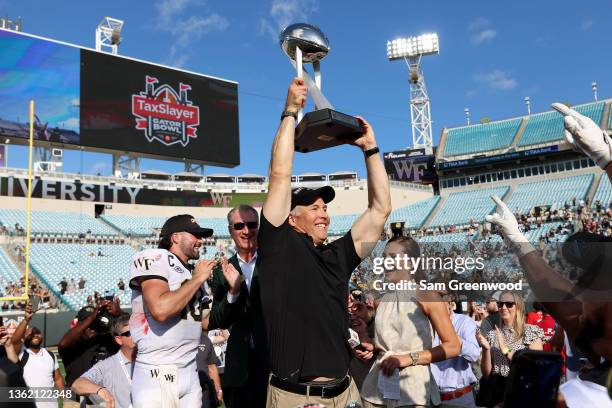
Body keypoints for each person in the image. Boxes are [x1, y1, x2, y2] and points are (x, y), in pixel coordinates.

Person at [258, 77, 392, 407]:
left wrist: (370, 149)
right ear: (291, 218)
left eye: (325, 208)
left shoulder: (338, 255)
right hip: (294, 396)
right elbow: (279, 176)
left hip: (345, 393)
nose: (324, 214)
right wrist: (290, 112)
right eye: (314, 207)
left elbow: (380, 210)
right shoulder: (278, 247)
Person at [128, 214, 238, 407]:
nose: (201, 240)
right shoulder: (154, 257)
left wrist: (232, 293)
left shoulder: (191, 271)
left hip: (190, 369)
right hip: (157, 371)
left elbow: (206, 322)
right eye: (195, 235)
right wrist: (197, 279)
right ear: (175, 237)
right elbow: (160, 310)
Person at [359, 237, 461, 407]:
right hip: (377, 391)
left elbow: (453, 346)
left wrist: (409, 358)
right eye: (384, 257)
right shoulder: (382, 300)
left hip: (413, 392)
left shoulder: (428, 296)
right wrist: (373, 347)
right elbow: (392, 343)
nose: (386, 262)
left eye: (393, 257)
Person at [208, 205, 267, 408]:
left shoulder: (274, 263)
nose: (246, 230)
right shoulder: (221, 271)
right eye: (239, 225)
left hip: (274, 364)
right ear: (230, 230)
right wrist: (233, 292)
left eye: (252, 224)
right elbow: (218, 319)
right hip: (239, 368)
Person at [475, 291, 543, 406]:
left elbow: (534, 368)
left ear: (518, 306)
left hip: (520, 389)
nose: (503, 307)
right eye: (500, 304)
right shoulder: (492, 334)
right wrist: (486, 349)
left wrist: (505, 350)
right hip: (496, 390)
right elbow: (486, 374)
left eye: (509, 304)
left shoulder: (531, 332)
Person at [72, 314, 135, 408]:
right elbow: (77, 385)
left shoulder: (153, 359)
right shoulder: (108, 365)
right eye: (130, 333)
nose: (137, 334)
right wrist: (101, 390)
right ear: (119, 340)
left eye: (139, 331)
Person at [58, 299, 123, 388]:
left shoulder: (107, 339)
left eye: (95, 323)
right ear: (79, 324)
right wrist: (91, 318)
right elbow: (63, 344)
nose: (91, 326)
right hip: (78, 398)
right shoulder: (73, 345)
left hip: (105, 396)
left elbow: (131, 334)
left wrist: (120, 313)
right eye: (87, 323)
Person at [431, 292, 481, 407]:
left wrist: (452, 336)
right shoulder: (427, 325)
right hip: (431, 398)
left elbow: (474, 354)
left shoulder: (464, 322)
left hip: (459, 398)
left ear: (450, 305)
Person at [11, 303, 65, 408]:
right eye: (30, 333)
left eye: (37, 332)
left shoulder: (50, 355)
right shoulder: (20, 353)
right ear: (23, 337)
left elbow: (58, 379)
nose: (35, 334)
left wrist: (65, 400)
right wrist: (26, 320)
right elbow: (14, 341)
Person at [196, 331, 222, 408]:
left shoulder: (205, 339)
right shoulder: (177, 339)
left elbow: (212, 367)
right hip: (182, 391)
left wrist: (218, 390)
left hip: (205, 390)